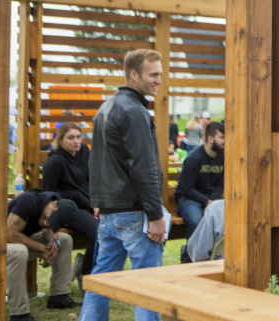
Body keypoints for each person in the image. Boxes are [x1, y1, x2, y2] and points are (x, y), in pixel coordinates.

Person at [81, 49, 166, 321]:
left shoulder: (105, 108)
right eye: (153, 74)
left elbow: (95, 162)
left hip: (109, 212)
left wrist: (98, 202)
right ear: (134, 74)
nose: (159, 81)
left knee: (101, 281)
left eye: (160, 75)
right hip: (134, 212)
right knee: (148, 284)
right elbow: (145, 168)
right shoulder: (134, 111)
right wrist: (155, 216)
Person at [7, 192, 81, 321]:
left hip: (16, 242)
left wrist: (54, 242)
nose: (48, 223)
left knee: (64, 240)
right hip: (3, 242)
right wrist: (42, 248)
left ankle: (58, 297)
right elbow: (10, 235)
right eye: (50, 218)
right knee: (19, 251)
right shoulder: (28, 201)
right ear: (53, 204)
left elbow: (49, 228)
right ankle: (19, 314)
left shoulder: (57, 202)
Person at [41, 123, 98, 282]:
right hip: (69, 209)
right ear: (60, 140)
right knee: (100, 235)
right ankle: (87, 277)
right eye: (71, 138)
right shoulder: (55, 162)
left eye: (78, 137)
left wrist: (96, 203)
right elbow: (48, 194)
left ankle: (85, 267)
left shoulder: (84, 152)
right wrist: (76, 196)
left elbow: (92, 180)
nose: (76, 141)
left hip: (89, 205)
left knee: (112, 231)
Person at [175, 121, 224, 240]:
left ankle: (216, 255)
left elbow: (220, 185)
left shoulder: (222, 158)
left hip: (209, 197)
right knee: (197, 221)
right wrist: (207, 202)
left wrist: (212, 202)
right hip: (188, 199)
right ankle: (191, 256)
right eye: (222, 137)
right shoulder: (194, 159)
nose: (225, 141)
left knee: (229, 217)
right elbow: (187, 189)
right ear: (210, 138)